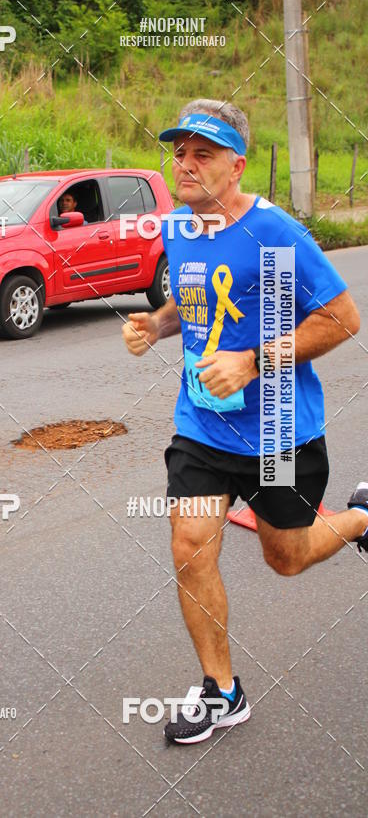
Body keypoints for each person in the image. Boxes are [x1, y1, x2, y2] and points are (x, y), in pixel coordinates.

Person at [122, 98, 366, 745]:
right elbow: (193, 300)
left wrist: (255, 361)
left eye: (203, 153)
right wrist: (159, 323)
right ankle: (221, 691)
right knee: (188, 545)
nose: (186, 163)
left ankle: (362, 518)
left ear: (237, 164)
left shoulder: (277, 232)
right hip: (202, 426)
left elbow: (343, 317)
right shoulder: (178, 228)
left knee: (286, 558)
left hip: (281, 427)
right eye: (179, 150)